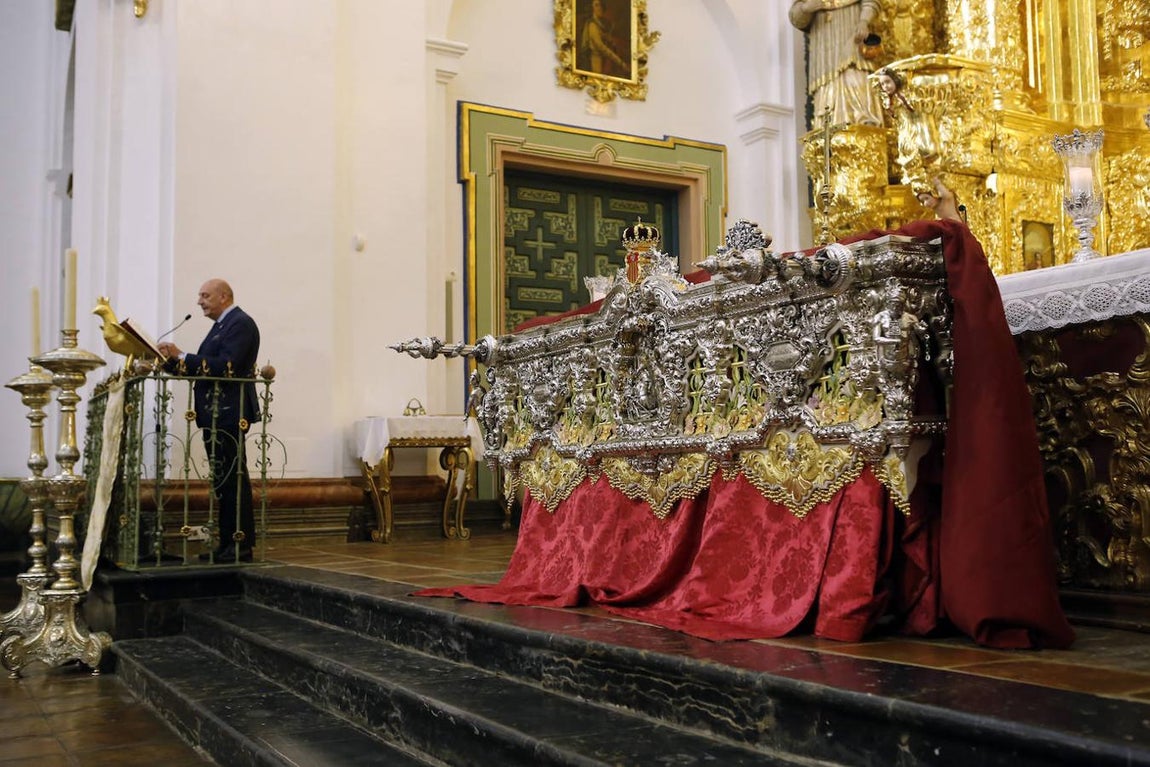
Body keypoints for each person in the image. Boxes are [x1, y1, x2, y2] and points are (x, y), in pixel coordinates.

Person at [158, 279, 260, 563]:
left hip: (228, 411)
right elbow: (204, 367)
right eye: (199, 296)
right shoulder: (221, 327)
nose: (200, 301)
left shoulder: (241, 323)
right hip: (216, 412)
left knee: (232, 479)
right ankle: (227, 543)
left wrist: (183, 355)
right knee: (222, 481)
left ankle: (240, 545)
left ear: (224, 296)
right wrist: (165, 361)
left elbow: (227, 366)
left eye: (205, 295)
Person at [789, 0, 884, 128]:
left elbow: (872, 2)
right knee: (828, 91)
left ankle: (863, 122)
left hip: (852, 34)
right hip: (824, 48)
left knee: (854, 77)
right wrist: (805, 8)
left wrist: (864, 21)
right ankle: (828, 128)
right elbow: (796, 15)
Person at [580, 0, 629, 78]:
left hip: (604, 61)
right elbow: (601, 47)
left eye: (600, 5)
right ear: (591, 8)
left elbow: (605, 38)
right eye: (596, 5)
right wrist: (620, 62)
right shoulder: (592, 25)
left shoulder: (600, 25)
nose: (600, 8)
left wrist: (610, 40)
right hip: (596, 62)